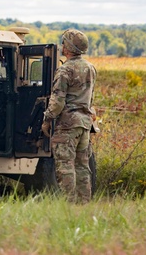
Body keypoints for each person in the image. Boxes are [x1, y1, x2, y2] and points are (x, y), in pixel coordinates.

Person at [42, 28, 97, 203]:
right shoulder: (90, 68)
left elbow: (58, 101)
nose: (62, 45)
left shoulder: (65, 70)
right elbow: (91, 96)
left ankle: (69, 204)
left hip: (67, 124)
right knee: (82, 166)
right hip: (85, 123)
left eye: (64, 42)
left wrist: (47, 119)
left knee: (65, 166)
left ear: (69, 47)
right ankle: (84, 203)